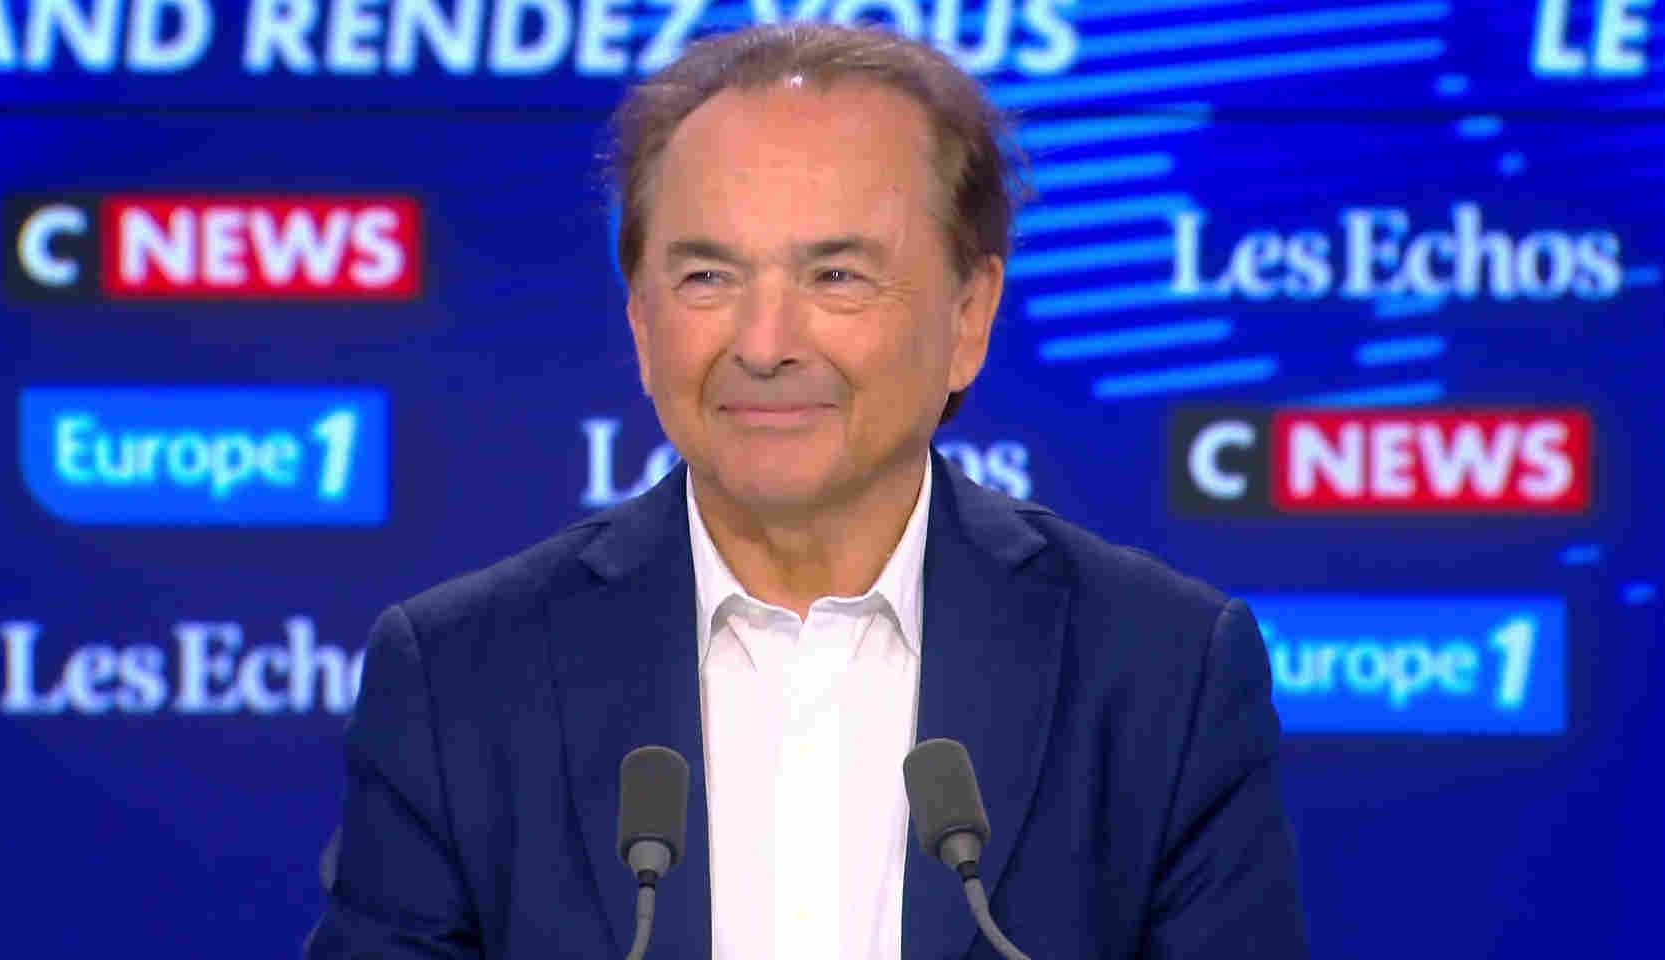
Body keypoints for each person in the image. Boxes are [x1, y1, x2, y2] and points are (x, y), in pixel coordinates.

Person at [306, 22, 1308, 960]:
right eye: (708, 278)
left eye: (835, 277)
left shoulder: (1159, 675)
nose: (765, 343)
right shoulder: (459, 679)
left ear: (969, 315)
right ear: (642, 322)